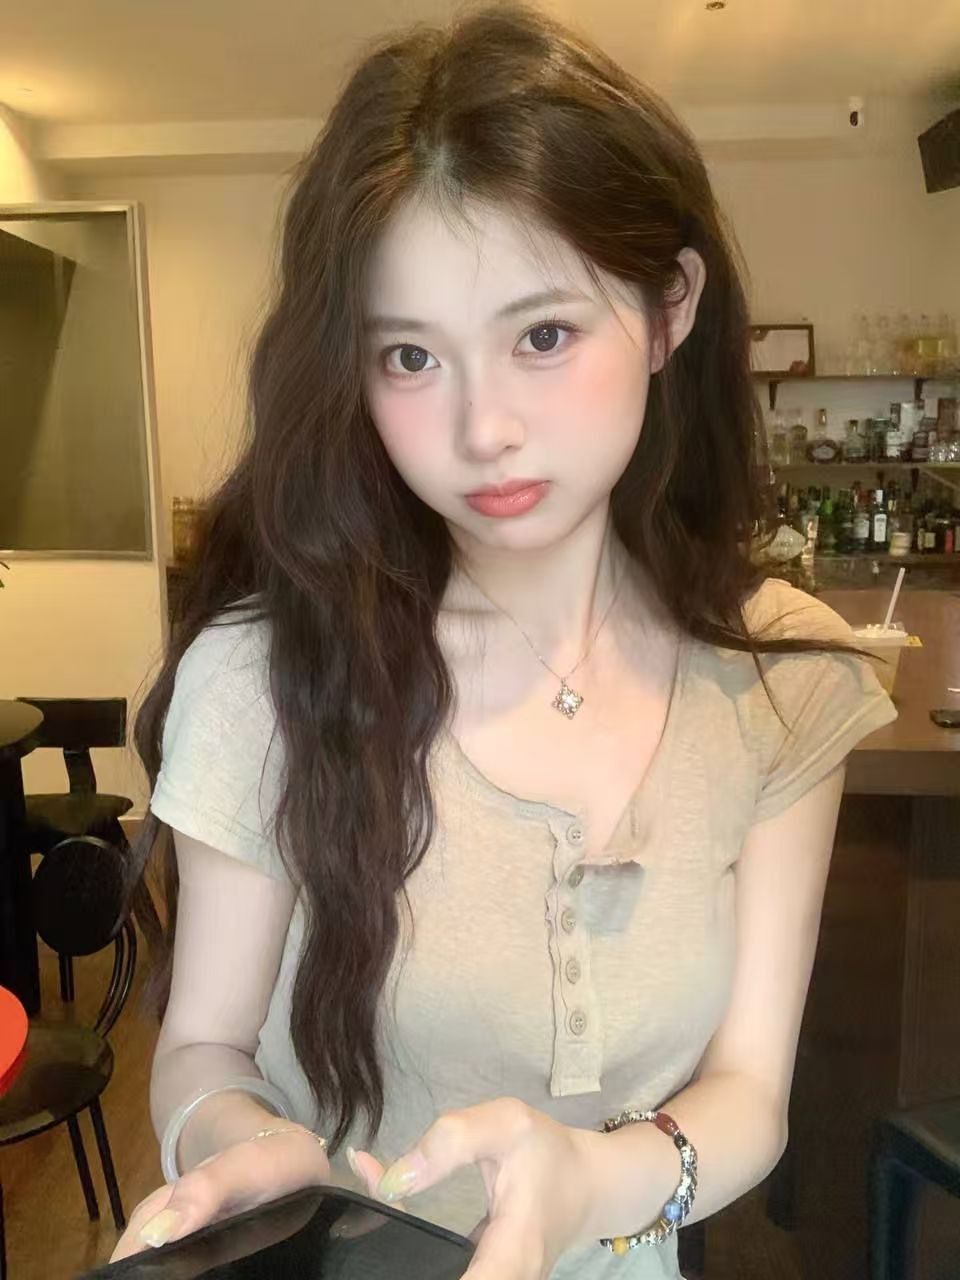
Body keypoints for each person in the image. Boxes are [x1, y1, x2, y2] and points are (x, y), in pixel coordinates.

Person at [110, 4, 897, 1277]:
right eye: (411, 357)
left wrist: (590, 1179)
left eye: (542, 335)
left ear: (668, 309)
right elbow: (204, 1044)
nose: (483, 430)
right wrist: (242, 1141)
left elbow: (751, 1087)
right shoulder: (267, 676)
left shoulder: (781, 677)